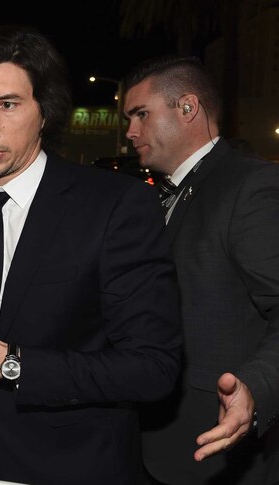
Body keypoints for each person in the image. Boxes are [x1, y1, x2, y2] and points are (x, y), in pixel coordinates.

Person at [0, 25, 182, 483]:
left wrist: (9, 363)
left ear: (45, 112)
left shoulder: (114, 204)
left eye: (8, 105)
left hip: (75, 466)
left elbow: (153, 369)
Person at [124, 56, 279, 484]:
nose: (130, 131)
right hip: (156, 444)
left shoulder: (251, 186)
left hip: (221, 450)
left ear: (188, 108)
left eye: (141, 114)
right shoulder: (153, 198)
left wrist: (257, 388)